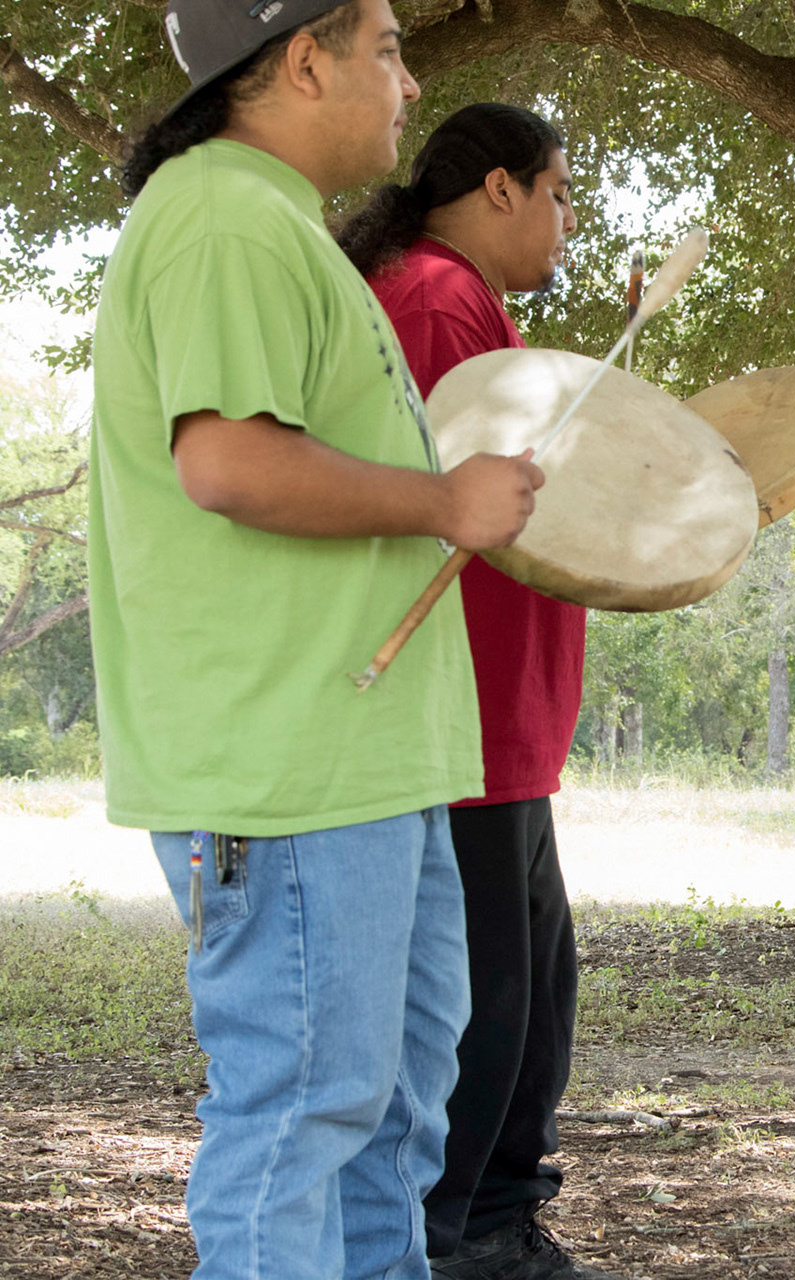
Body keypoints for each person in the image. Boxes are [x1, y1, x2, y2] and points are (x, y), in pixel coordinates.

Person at [90, 2, 544, 1276]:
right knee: (300, 1118)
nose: (409, 85)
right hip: (283, 772)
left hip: (367, 764)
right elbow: (227, 461)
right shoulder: (222, 215)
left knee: (393, 1118)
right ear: (304, 59)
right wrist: (447, 499)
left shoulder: (283, 227)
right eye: (390, 51)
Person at [335, 106, 614, 1280]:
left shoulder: (461, 299)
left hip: (505, 721)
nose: (565, 224)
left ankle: (500, 1216)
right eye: (558, 193)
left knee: (533, 982)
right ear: (499, 186)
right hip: (470, 716)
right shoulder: (437, 297)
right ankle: (462, 1238)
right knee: (486, 997)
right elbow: (457, 495)